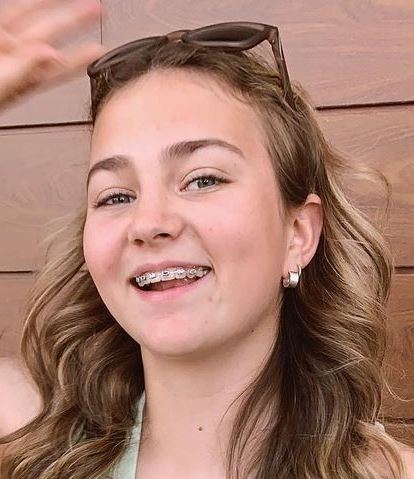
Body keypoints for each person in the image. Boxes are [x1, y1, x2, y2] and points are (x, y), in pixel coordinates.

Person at [0, 1, 413, 478]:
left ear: (298, 234)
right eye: (115, 196)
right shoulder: (31, 443)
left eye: (203, 179)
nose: (148, 222)